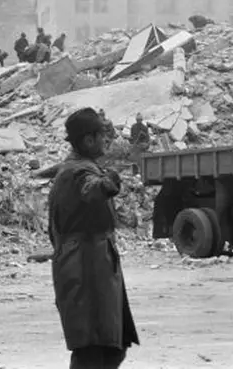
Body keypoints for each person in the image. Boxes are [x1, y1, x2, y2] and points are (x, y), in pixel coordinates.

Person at [48, 107, 139, 369]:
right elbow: (91, 189)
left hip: (94, 267)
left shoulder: (77, 168)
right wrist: (108, 183)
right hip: (85, 269)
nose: (107, 140)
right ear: (89, 140)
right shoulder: (78, 172)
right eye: (102, 135)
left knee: (113, 346)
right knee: (92, 348)